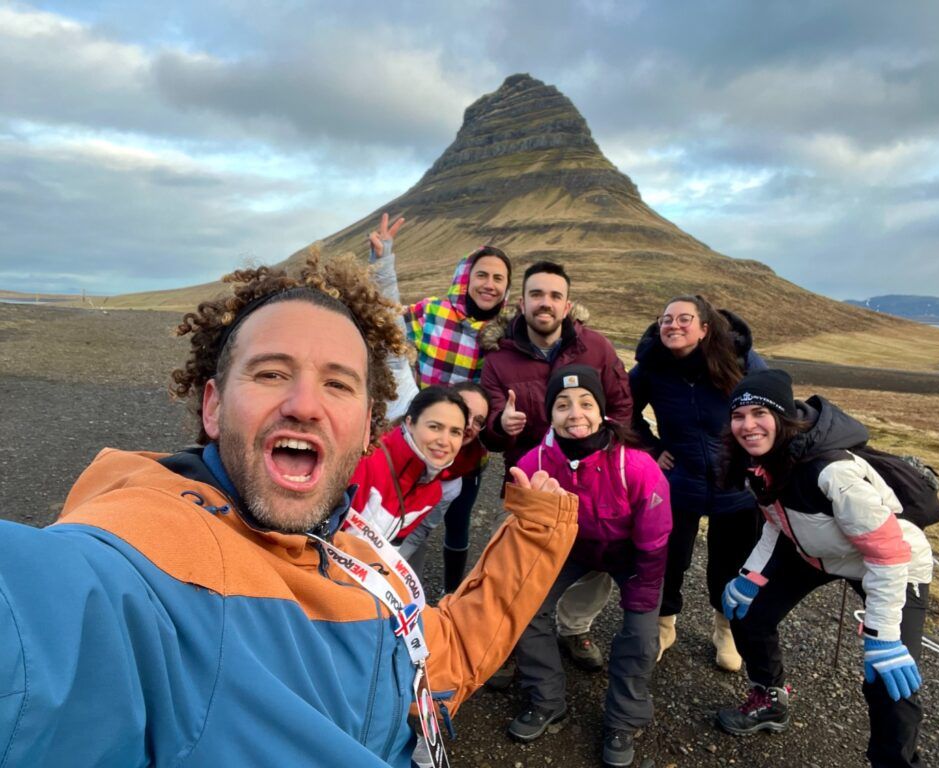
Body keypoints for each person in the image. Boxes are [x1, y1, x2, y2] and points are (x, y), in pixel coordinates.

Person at [0, 254, 579, 768]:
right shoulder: (143, 554)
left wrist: (535, 533)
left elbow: (438, 655)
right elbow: (48, 628)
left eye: (338, 384)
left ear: (367, 425)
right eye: (272, 373)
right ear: (213, 405)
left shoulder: (346, 550)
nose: (304, 405)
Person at [716, 369, 932, 768]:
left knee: (888, 675)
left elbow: (887, 552)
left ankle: (896, 763)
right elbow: (776, 523)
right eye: (738, 416)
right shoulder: (758, 464)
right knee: (749, 616)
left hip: (894, 564)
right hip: (817, 552)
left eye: (760, 413)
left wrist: (882, 636)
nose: (748, 425)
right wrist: (750, 578)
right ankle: (769, 698)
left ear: (783, 418)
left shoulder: (833, 472)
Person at [509, 365, 671, 768]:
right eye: (562, 405)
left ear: (602, 411)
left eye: (585, 403)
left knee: (640, 635)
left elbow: (654, 542)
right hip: (572, 550)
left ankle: (624, 718)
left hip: (631, 555)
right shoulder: (536, 461)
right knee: (525, 607)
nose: (574, 413)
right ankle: (546, 698)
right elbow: (521, 524)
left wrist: (644, 599)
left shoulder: (636, 466)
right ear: (550, 414)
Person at [480, 260, 633, 672]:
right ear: (521, 303)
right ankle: (509, 634)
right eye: (536, 295)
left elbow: (621, 406)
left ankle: (573, 627)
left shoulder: (597, 348)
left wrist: (607, 449)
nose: (545, 303)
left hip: (594, 482)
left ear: (567, 305)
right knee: (512, 560)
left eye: (554, 296)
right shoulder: (498, 361)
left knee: (597, 561)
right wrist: (500, 424)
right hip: (528, 481)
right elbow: (490, 435)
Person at [368, 212, 510, 590]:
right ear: (466, 276)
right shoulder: (434, 312)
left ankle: (450, 594)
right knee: (406, 512)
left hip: (466, 449)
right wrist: (382, 265)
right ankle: (396, 582)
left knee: (457, 517)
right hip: (417, 432)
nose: (489, 284)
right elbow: (389, 331)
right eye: (482, 274)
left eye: (498, 278)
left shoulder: (509, 333)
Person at [628, 295, 766, 667]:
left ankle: (726, 631)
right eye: (666, 319)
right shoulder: (652, 366)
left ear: (705, 328)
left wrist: (755, 456)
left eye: (684, 318)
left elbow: (771, 406)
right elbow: (624, 410)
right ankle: (664, 624)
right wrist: (652, 449)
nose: (673, 325)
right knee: (669, 558)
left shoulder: (740, 360)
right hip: (678, 481)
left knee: (733, 563)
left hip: (735, 485)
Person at [398, 381, 491, 593]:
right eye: (463, 409)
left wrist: (391, 562)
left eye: (479, 421)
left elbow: (419, 530)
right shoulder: (382, 446)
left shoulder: (452, 484)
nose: (469, 424)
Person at [347, 386, 468, 542]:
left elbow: (394, 544)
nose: (444, 441)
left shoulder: (433, 492)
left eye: (455, 432)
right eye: (434, 427)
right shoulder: (366, 459)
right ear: (410, 423)